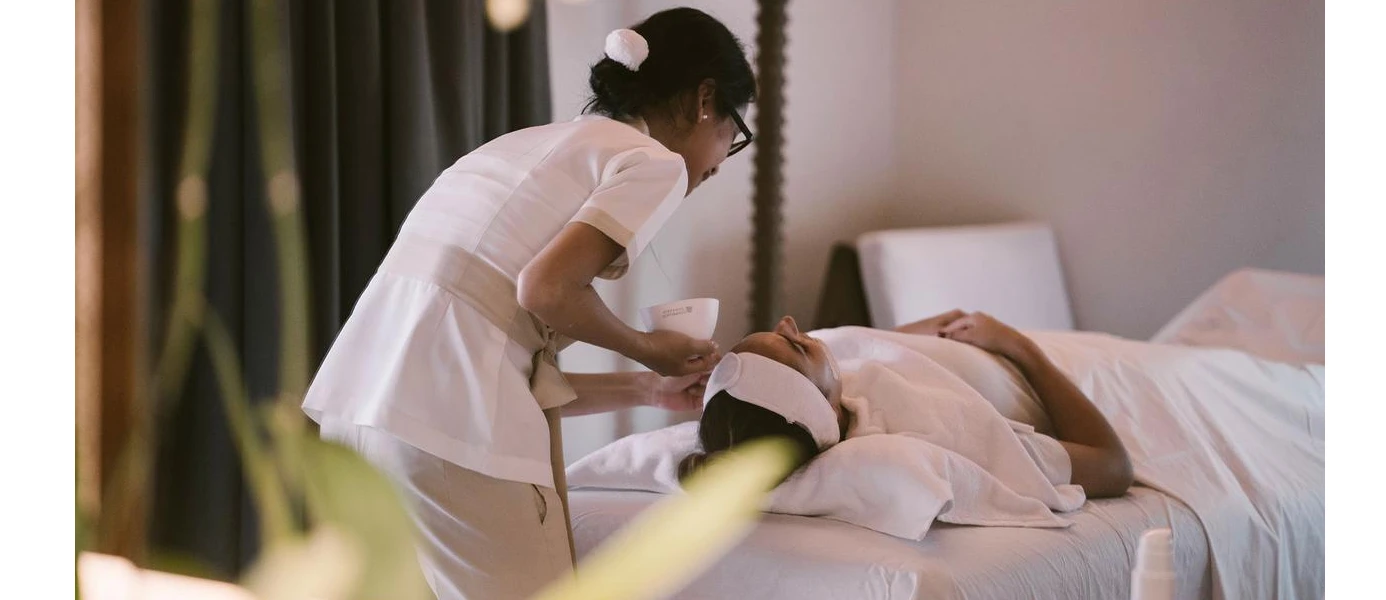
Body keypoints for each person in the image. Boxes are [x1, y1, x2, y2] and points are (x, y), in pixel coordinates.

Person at [301, 8, 755, 599]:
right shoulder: (654, 162)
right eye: (733, 134)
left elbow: (495, 359)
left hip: (358, 419)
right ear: (704, 100)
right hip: (449, 431)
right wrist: (649, 349)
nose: (719, 162)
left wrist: (647, 389)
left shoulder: (519, 147)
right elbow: (544, 289)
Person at [681, 311, 1135, 499]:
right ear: (827, 408)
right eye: (796, 344)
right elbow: (1113, 467)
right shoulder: (941, 427)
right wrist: (1021, 347)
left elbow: (859, 354)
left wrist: (914, 335)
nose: (789, 322)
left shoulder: (824, 385)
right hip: (1077, 365)